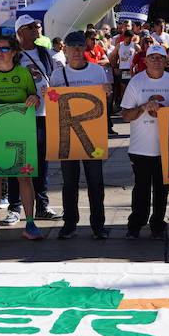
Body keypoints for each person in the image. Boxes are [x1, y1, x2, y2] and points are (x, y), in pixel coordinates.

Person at [0, 34, 44, 241]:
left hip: (20, 130)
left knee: (24, 177)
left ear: (14, 52)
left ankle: (30, 223)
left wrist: (34, 98)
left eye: (3, 49)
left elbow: (36, 100)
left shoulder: (23, 74)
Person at [120, 43, 169, 239]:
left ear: (167, 60)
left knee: (162, 190)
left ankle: (158, 224)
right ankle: (135, 225)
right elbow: (125, 115)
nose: (157, 61)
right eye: (153, 58)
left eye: (160, 58)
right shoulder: (136, 82)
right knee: (141, 190)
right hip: (140, 148)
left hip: (166, 147)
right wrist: (142, 108)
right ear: (145, 61)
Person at [55, 30, 111, 240]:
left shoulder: (97, 72)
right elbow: (54, 105)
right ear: (66, 50)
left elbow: (106, 104)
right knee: (69, 182)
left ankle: (98, 225)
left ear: (85, 48)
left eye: (80, 46)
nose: (77, 51)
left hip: (92, 135)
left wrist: (107, 93)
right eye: (72, 47)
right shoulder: (58, 74)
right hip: (67, 136)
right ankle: (70, 223)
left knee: (95, 181)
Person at [11, 15, 59, 221]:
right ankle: (14, 207)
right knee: (17, 161)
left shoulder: (45, 53)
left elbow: (55, 78)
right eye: (31, 26)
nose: (37, 29)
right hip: (20, 116)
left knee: (41, 163)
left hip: (44, 114)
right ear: (20, 32)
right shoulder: (13, 55)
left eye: (38, 25)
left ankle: (42, 205)